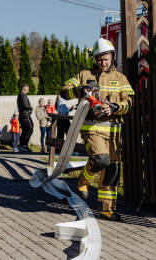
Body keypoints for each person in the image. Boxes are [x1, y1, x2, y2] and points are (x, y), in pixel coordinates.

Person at [59, 38, 134, 221]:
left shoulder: (121, 78)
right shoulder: (84, 75)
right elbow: (64, 90)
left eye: (106, 58)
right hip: (91, 128)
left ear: (112, 57)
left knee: (112, 170)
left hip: (114, 132)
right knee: (100, 159)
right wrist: (80, 90)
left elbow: (129, 101)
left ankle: (107, 210)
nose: (103, 62)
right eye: (99, 59)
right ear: (95, 59)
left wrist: (115, 108)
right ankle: (83, 181)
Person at [17, 84, 34, 152]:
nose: (28, 91)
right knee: (30, 128)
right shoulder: (23, 95)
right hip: (25, 115)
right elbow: (25, 105)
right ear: (25, 89)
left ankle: (21, 146)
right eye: (28, 89)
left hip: (22, 115)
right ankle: (24, 145)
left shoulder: (20, 95)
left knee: (24, 130)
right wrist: (31, 108)